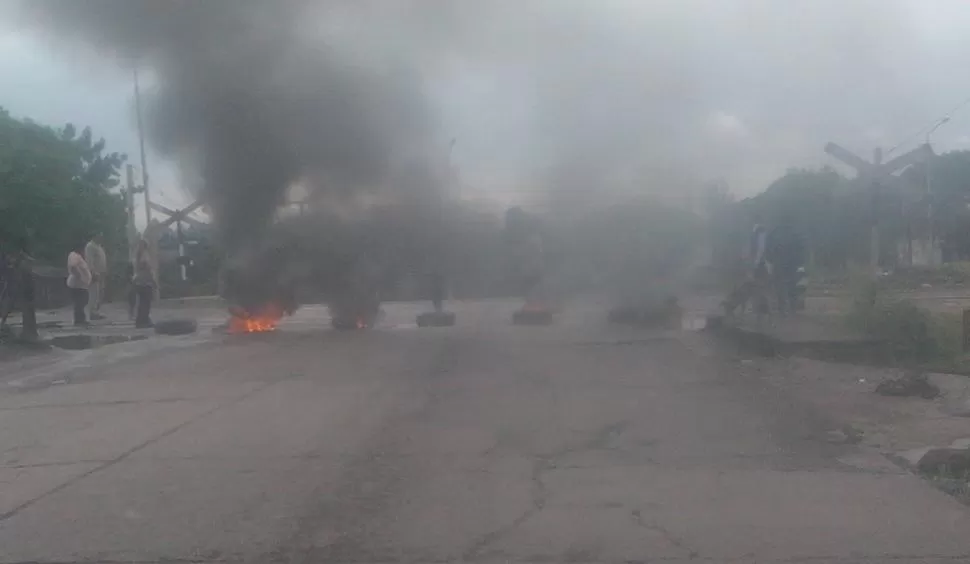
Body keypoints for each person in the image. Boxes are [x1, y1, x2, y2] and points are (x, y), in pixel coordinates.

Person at [766, 219, 805, 316]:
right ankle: (792, 309)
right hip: (792, 264)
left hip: (779, 263)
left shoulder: (774, 233)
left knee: (780, 287)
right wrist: (800, 263)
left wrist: (771, 261)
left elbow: (768, 249)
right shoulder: (795, 233)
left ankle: (782, 310)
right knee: (792, 286)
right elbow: (801, 249)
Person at [67, 241, 92, 327]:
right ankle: (79, 320)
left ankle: (80, 319)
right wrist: (79, 276)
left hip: (81, 285)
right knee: (80, 301)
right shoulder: (74, 255)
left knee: (82, 301)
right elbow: (73, 266)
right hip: (77, 285)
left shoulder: (78, 256)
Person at [132, 239, 156, 329]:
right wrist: (152, 279)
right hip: (144, 281)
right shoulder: (143, 255)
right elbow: (145, 267)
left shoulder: (138, 255)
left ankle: (142, 320)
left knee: (143, 302)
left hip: (140, 281)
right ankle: (143, 321)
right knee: (145, 302)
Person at [84, 232, 107, 320]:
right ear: (95, 236)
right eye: (99, 235)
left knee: (99, 292)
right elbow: (90, 260)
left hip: (101, 272)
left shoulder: (99, 246)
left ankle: (96, 311)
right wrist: (92, 272)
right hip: (95, 273)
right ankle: (92, 312)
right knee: (94, 293)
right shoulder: (90, 246)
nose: (101, 237)